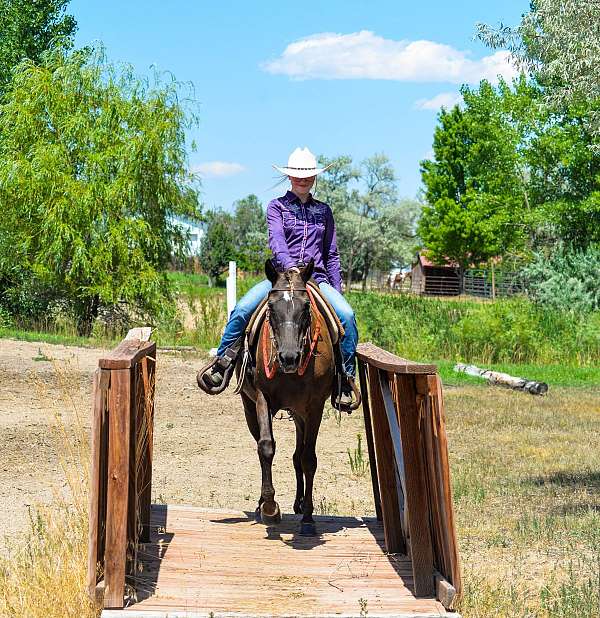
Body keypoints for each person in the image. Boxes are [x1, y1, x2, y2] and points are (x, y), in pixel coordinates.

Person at [199, 147, 358, 409]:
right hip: (281, 280)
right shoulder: (277, 207)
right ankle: (223, 361)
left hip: (317, 280)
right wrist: (292, 272)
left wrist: (337, 289)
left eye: (308, 175)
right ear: (289, 177)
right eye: (297, 175)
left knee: (347, 317)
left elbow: (331, 253)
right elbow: (278, 243)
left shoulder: (324, 211)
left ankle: (345, 379)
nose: (302, 179)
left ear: (315, 177)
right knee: (242, 310)